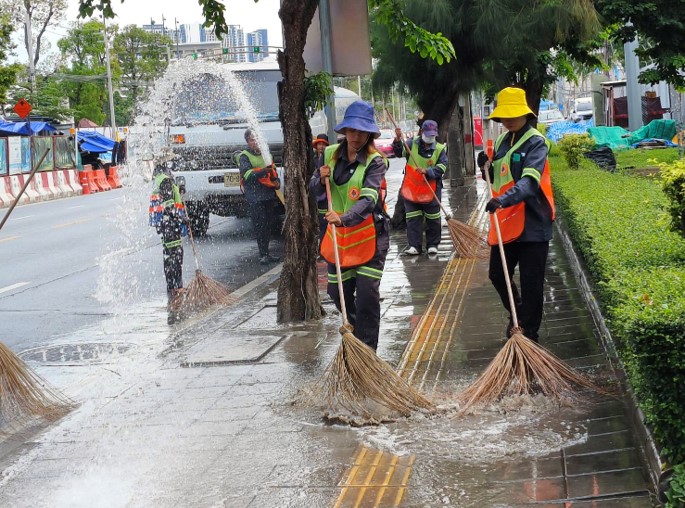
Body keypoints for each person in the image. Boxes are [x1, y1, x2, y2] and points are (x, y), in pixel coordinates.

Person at [309, 100, 389, 352]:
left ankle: (368, 351)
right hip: (339, 240)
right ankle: (355, 334)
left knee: (367, 296)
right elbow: (312, 188)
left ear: (369, 133)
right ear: (345, 131)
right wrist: (319, 181)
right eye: (352, 130)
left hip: (369, 237)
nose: (356, 136)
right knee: (336, 293)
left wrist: (344, 218)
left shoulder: (376, 161)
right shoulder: (329, 154)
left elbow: (369, 199)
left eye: (362, 131)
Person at [478, 87, 556, 342]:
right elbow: (496, 175)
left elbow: (529, 183)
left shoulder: (536, 142)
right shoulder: (502, 141)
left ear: (524, 113)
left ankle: (529, 335)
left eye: (513, 115)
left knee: (532, 284)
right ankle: (518, 313)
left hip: (533, 223)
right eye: (504, 115)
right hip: (506, 222)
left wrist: (501, 199)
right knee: (497, 274)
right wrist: (485, 167)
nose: (508, 120)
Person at [392, 119, 447, 256]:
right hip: (412, 189)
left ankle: (433, 244)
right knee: (412, 219)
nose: (430, 138)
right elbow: (399, 153)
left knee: (433, 219)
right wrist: (398, 140)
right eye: (427, 135)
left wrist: (428, 172)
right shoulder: (410, 144)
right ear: (422, 132)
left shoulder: (440, 149)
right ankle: (414, 246)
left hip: (431, 189)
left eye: (432, 136)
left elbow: (442, 167)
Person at [149, 149, 188, 324]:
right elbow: (169, 207)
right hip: (169, 224)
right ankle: (175, 288)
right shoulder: (165, 181)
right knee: (175, 256)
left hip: (165, 225)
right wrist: (182, 218)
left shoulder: (162, 179)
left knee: (170, 255)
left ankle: (173, 287)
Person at [238, 129, 281, 265]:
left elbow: (273, 169)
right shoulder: (244, 156)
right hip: (255, 196)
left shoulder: (265, 153)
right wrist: (264, 171)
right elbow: (247, 175)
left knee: (269, 224)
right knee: (260, 225)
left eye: (256, 139)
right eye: (252, 140)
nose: (255, 142)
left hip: (268, 193)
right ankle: (263, 254)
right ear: (247, 142)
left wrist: (276, 180)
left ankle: (267, 253)